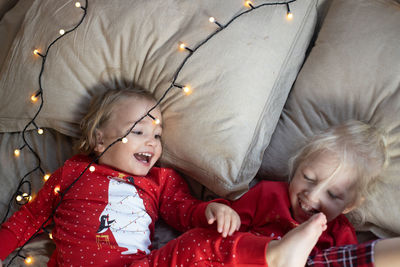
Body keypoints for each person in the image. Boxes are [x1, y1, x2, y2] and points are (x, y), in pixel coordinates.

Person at [0, 86, 241, 266]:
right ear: (99, 139)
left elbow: (184, 210)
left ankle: (269, 254)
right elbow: (30, 217)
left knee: (200, 244)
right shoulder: (74, 172)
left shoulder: (160, 180)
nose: (151, 141)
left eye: (157, 135)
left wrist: (210, 211)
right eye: (138, 131)